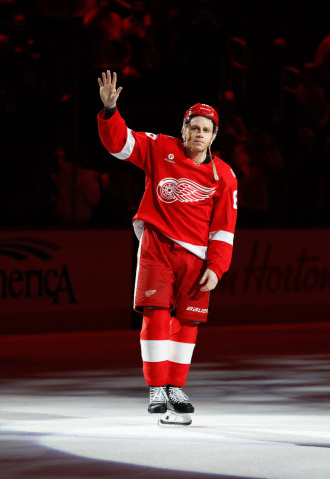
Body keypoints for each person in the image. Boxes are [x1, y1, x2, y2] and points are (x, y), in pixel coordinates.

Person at [96, 70, 238, 424]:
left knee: (188, 322)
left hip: (197, 258)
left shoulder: (224, 175)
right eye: (194, 127)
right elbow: (120, 144)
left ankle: (176, 386)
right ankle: (157, 387)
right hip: (157, 246)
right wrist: (110, 111)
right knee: (156, 314)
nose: (199, 133)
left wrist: (216, 267)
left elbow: (224, 229)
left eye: (206, 129)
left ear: (214, 136)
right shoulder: (160, 148)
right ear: (183, 129)